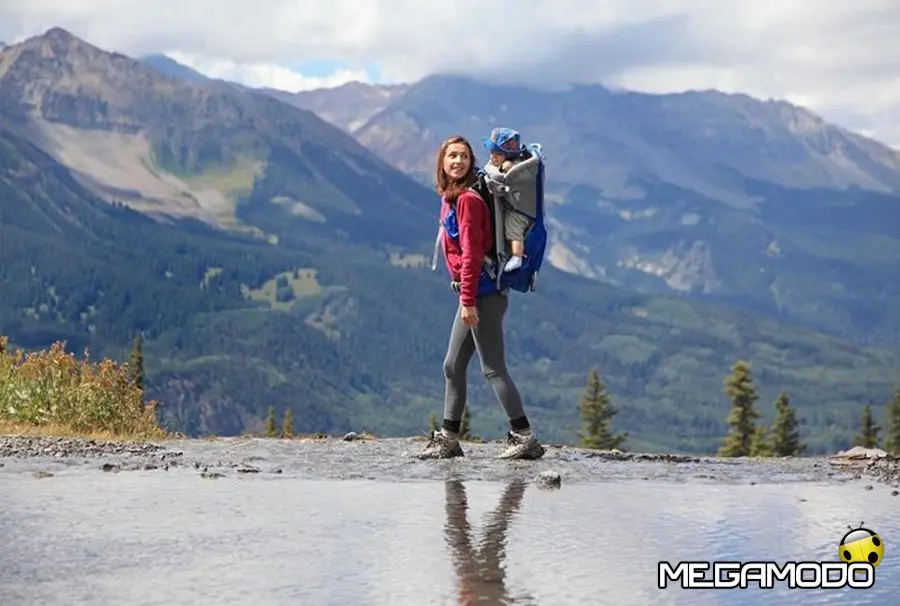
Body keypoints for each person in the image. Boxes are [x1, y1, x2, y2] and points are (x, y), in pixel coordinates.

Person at [417, 134, 545, 461]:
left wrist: (468, 302)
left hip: (482, 295)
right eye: (451, 157)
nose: (457, 162)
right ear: (442, 163)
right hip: (475, 292)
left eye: (462, 156)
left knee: (493, 368)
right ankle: (449, 439)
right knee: (452, 365)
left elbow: (473, 254)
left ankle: (525, 436)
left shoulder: (468, 201)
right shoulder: (453, 195)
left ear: (471, 160)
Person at [480, 127, 540, 273]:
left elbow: (502, 177)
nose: (493, 157)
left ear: (508, 156)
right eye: (492, 153)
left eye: (498, 154)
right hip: (515, 205)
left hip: (519, 211)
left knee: (513, 229)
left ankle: (517, 256)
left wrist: (504, 168)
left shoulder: (514, 167)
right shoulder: (512, 163)